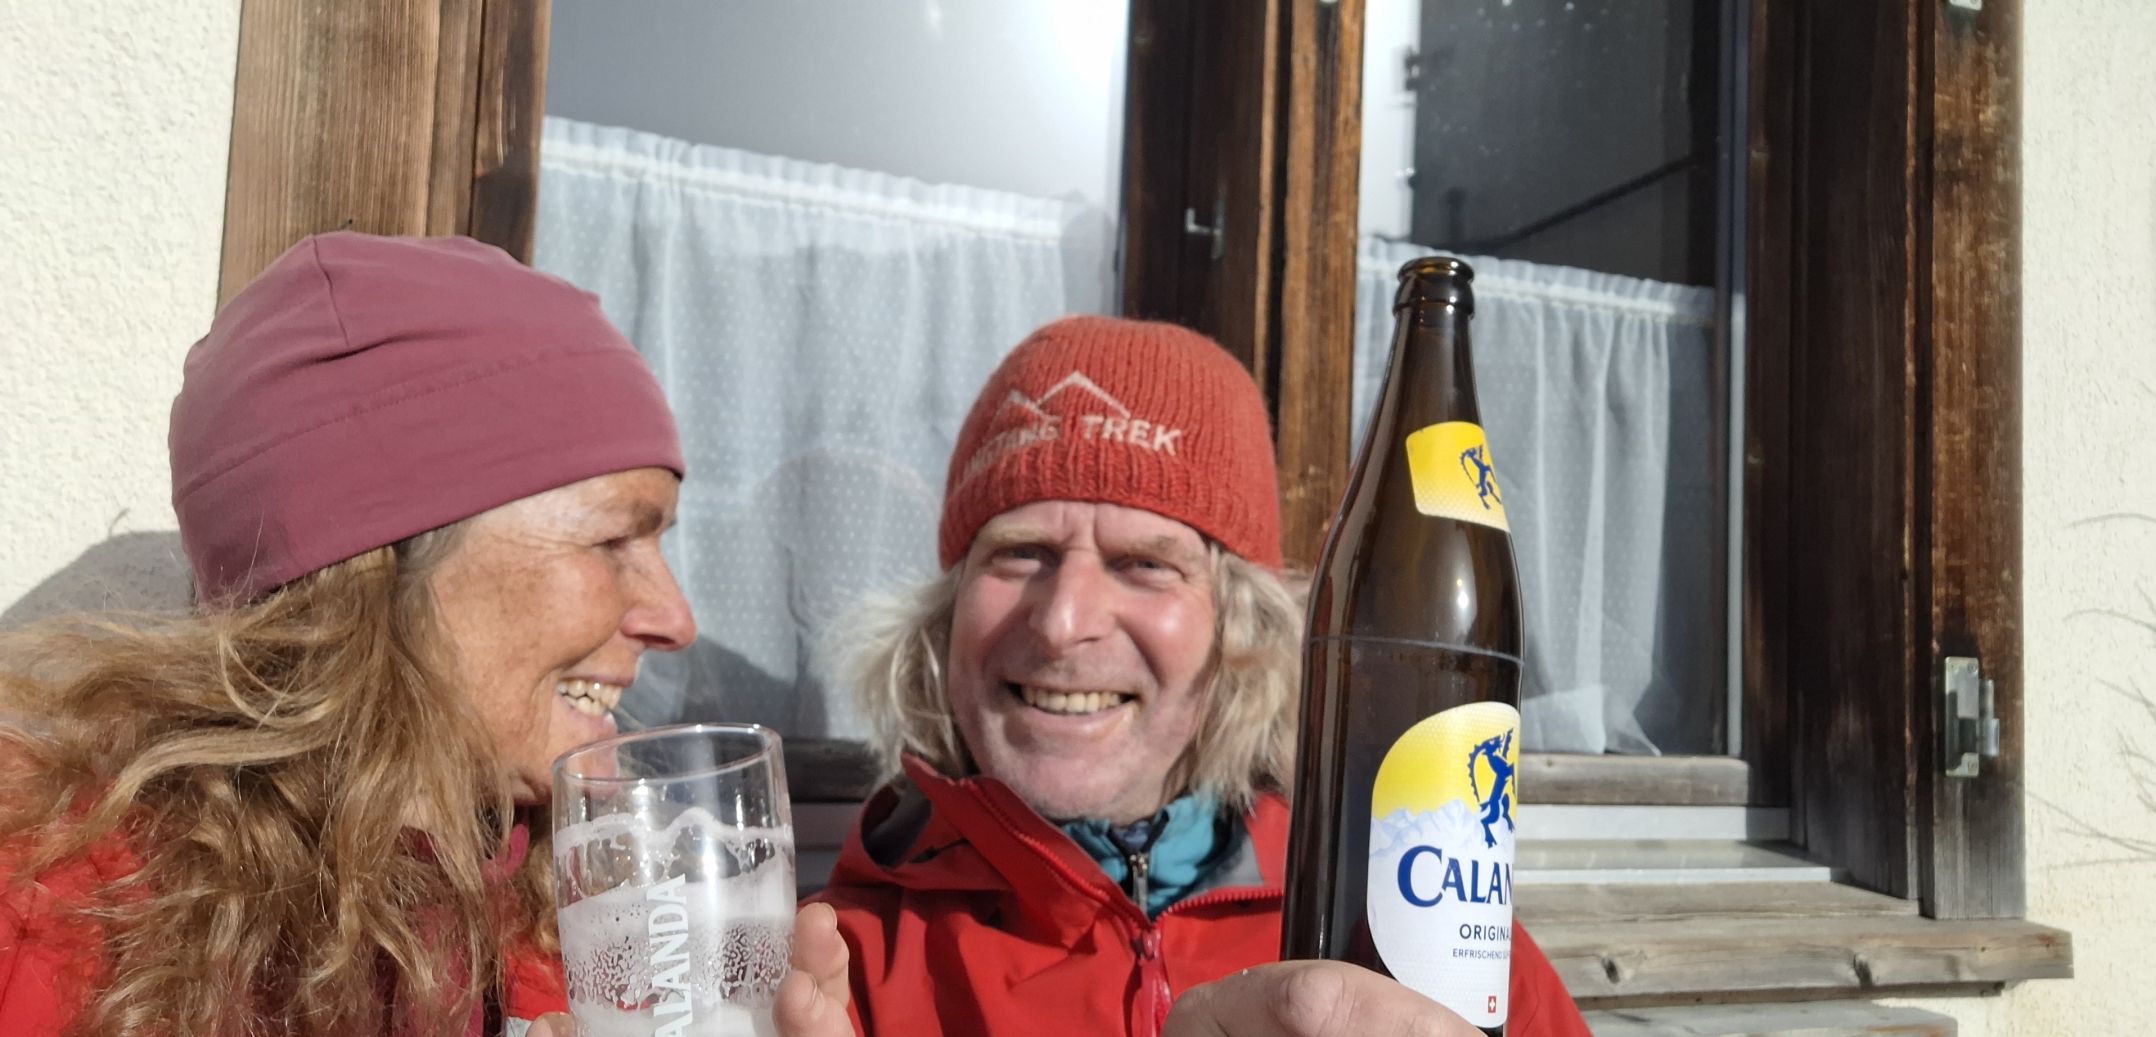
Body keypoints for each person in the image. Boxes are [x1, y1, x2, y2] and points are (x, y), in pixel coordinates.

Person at [786, 316, 1591, 1036]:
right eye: (1020, 553)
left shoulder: (1411, 921)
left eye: (1143, 563)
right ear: (946, 616)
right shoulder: (836, 973)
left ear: (1239, 626)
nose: (1063, 620)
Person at [0, 232, 697, 1036]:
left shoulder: (596, 936)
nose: (676, 619)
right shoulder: (47, 912)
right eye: (613, 539)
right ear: (381, 567)